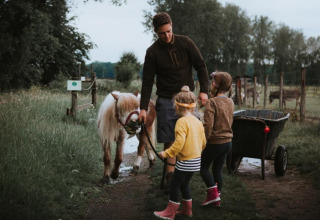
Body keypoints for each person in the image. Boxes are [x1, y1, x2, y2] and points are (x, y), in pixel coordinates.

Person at [138, 12, 209, 188]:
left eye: (169, 31)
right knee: (170, 138)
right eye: (162, 33)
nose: (167, 35)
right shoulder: (152, 52)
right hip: (165, 99)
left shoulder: (185, 42)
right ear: (156, 32)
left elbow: (201, 66)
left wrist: (204, 91)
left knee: (190, 136)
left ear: (172, 26)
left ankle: (186, 174)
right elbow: (147, 82)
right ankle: (171, 177)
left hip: (187, 98)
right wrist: (143, 108)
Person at [154, 86, 206, 220]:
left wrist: (166, 153)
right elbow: (204, 142)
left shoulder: (181, 122)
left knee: (174, 185)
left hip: (185, 161)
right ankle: (187, 210)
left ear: (176, 106)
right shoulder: (197, 121)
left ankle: (170, 213)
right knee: (184, 184)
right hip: (196, 160)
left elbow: (178, 144)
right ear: (193, 106)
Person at [200, 72, 234, 207]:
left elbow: (208, 126)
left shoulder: (212, 102)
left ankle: (213, 196)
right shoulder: (230, 101)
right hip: (228, 142)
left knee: (203, 168)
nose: (211, 84)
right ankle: (216, 199)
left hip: (215, 142)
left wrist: (203, 142)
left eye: (213, 82)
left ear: (217, 85)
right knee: (217, 170)